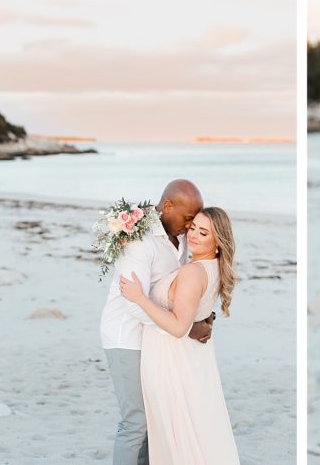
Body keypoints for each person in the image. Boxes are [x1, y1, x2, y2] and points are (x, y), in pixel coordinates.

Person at [100, 179, 213, 464]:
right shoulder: (140, 241)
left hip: (156, 341)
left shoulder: (182, 237)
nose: (190, 227)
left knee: (155, 421)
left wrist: (201, 314)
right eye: (188, 219)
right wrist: (184, 328)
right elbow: (132, 302)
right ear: (167, 206)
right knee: (135, 423)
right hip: (126, 338)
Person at [120, 207, 240, 464]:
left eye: (203, 232)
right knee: (195, 430)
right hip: (193, 360)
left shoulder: (193, 272)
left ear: (217, 241)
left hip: (172, 362)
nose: (193, 235)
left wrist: (140, 298)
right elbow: (198, 311)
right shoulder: (211, 266)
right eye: (193, 226)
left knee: (176, 435)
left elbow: (178, 327)